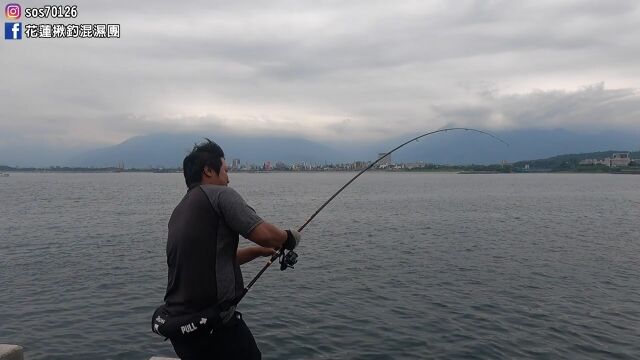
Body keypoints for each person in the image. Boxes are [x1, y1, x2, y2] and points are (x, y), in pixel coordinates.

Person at [163, 138, 301, 359]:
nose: (228, 178)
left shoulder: (180, 210)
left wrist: (258, 252)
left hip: (182, 329)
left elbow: (211, 262)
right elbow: (264, 234)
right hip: (215, 329)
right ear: (209, 170)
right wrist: (289, 238)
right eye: (225, 170)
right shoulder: (221, 195)